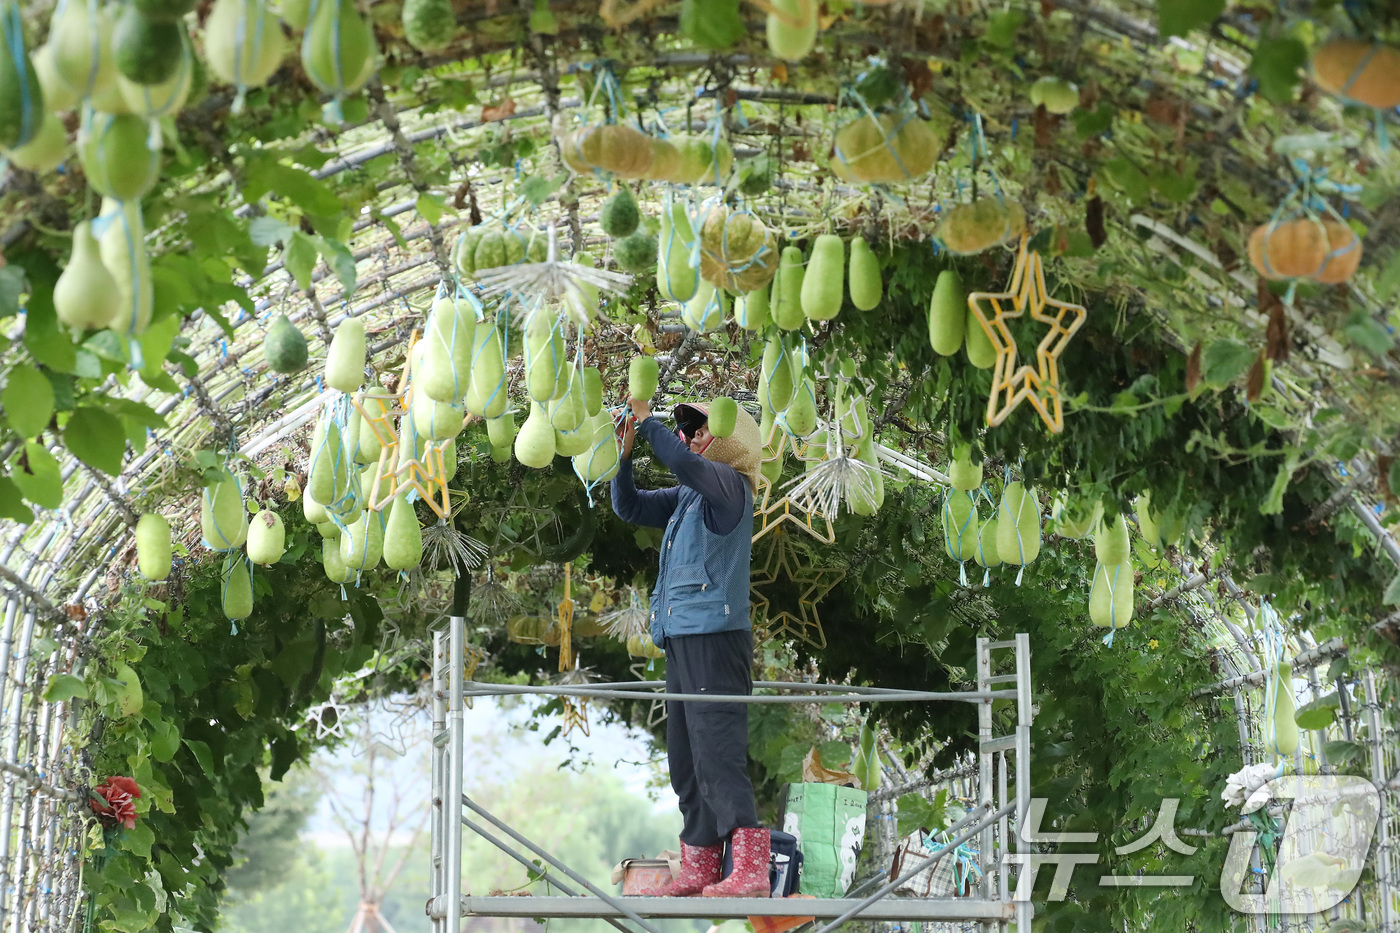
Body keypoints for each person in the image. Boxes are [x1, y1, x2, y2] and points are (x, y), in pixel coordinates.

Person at [611, 395, 769, 899]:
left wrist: (646, 419)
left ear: (726, 440)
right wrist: (626, 453)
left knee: (718, 750)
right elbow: (628, 505)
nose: (688, 436)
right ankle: (700, 864)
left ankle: (750, 870)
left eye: (698, 427)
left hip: (714, 638)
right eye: (686, 428)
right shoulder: (686, 498)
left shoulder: (728, 485)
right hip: (683, 636)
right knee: (686, 757)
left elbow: (680, 461)